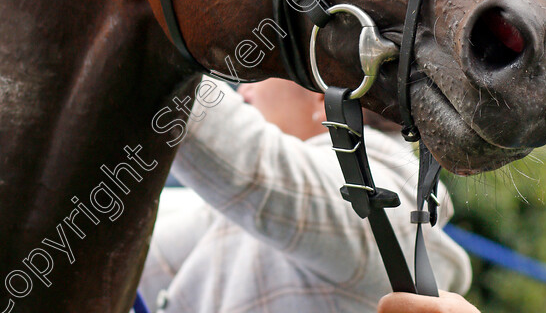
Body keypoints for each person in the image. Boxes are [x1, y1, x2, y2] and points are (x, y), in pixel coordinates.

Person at [139, 77, 471, 312]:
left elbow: (252, 168)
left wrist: (152, 45)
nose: (243, 89)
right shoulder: (246, 213)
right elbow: (141, 258)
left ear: (321, 95)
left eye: (260, 73)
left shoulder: (389, 191)